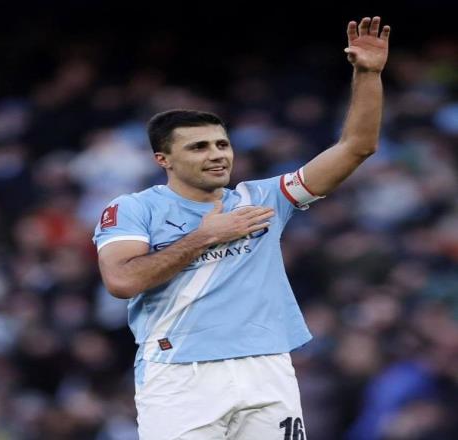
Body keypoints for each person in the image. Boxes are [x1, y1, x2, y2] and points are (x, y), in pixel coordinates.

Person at [93, 16, 390, 440]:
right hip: (180, 374)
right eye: (199, 147)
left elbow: (356, 147)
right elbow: (122, 281)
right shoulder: (133, 209)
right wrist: (206, 235)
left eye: (222, 144)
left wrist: (368, 75)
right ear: (164, 160)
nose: (217, 155)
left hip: (266, 367)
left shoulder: (263, 198)